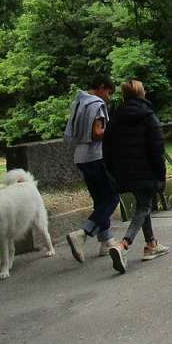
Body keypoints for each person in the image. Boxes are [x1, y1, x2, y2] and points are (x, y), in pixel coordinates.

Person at [102, 80, 170, 274]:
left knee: (143, 203)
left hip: (124, 171)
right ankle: (123, 245)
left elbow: (106, 147)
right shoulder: (148, 116)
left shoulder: (115, 118)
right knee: (144, 205)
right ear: (142, 93)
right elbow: (157, 149)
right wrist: (161, 176)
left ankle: (151, 244)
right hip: (146, 170)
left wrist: (113, 171)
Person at [64, 75, 119, 262]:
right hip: (95, 155)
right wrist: (113, 130)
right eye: (109, 92)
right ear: (102, 87)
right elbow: (97, 132)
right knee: (112, 197)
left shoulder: (78, 103)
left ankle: (106, 241)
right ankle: (83, 234)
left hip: (79, 156)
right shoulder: (96, 104)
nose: (108, 97)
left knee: (100, 199)